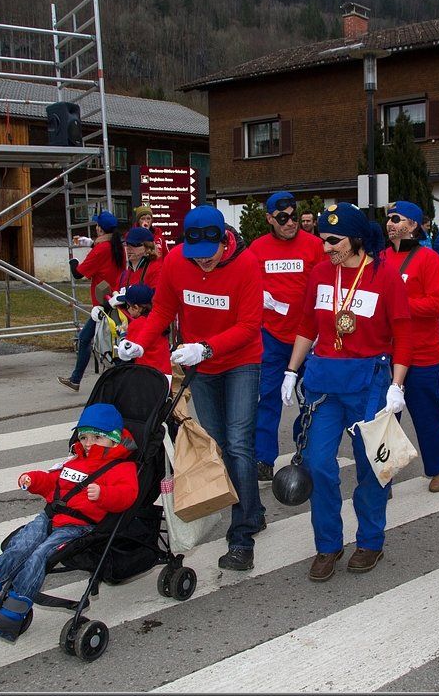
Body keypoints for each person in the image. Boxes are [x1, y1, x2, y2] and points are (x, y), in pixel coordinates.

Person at [119, 205, 265, 571]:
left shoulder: (247, 265)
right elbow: (162, 310)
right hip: (201, 365)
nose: (202, 262)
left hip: (241, 361)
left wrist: (207, 347)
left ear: (223, 241)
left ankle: (242, 538)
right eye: (195, 255)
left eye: (209, 254)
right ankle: (253, 509)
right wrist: (139, 342)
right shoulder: (176, 262)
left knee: (239, 443)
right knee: (217, 444)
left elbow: (250, 325)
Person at [280, 202, 411, 582]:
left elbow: (405, 335)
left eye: (334, 240)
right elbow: (307, 325)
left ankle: (370, 540)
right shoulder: (321, 272)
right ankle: (328, 545)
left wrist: (397, 386)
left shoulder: (385, 276)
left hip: (370, 382)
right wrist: (291, 371)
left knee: (371, 466)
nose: (326, 248)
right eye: (323, 240)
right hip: (324, 383)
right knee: (317, 463)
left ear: (356, 239)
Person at [0, 402, 138, 642]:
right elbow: (52, 481)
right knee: (20, 546)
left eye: (96, 438)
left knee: (39, 555)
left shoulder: (122, 467)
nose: (88, 443)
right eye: (84, 437)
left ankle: (12, 614)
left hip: (78, 526)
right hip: (50, 517)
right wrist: (33, 480)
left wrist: (104, 494)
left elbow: (128, 495)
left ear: (114, 438)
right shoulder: (75, 460)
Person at [247, 191, 325, 482]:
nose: (291, 223)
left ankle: (304, 452)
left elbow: (326, 283)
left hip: (309, 337)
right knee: (268, 396)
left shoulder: (314, 246)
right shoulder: (257, 248)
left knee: (311, 397)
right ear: (269, 218)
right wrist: (259, 297)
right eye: (283, 219)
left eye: (294, 217)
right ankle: (263, 458)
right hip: (272, 335)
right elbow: (247, 284)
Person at [381, 201, 439, 492]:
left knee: (426, 417)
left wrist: (399, 306)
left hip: (422, 354)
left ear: (412, 225)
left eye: (396, 218)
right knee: (384, 418)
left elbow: (437, 303)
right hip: (387, 354)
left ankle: (438, 468)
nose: (390, 223)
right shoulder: (380, 257)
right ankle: (384, 475)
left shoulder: (429, 259)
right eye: (388, 218)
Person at [58, 211, 123, 392]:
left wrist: (73, 261)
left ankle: (79, 379)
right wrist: (91, 243)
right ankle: (75, 380)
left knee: (95, 342)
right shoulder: (116, 246)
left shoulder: (101, 249)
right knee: (101, 341)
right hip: (113, 299)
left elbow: (78, 274)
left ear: (100, 229)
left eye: (97, 225)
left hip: (102, 304)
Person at [117, 226, 164, 297]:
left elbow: (157, 297)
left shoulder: (157, 269)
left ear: (148, 248)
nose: (129, 248)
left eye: (135, 245)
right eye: (127, 244)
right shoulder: (124, 274)